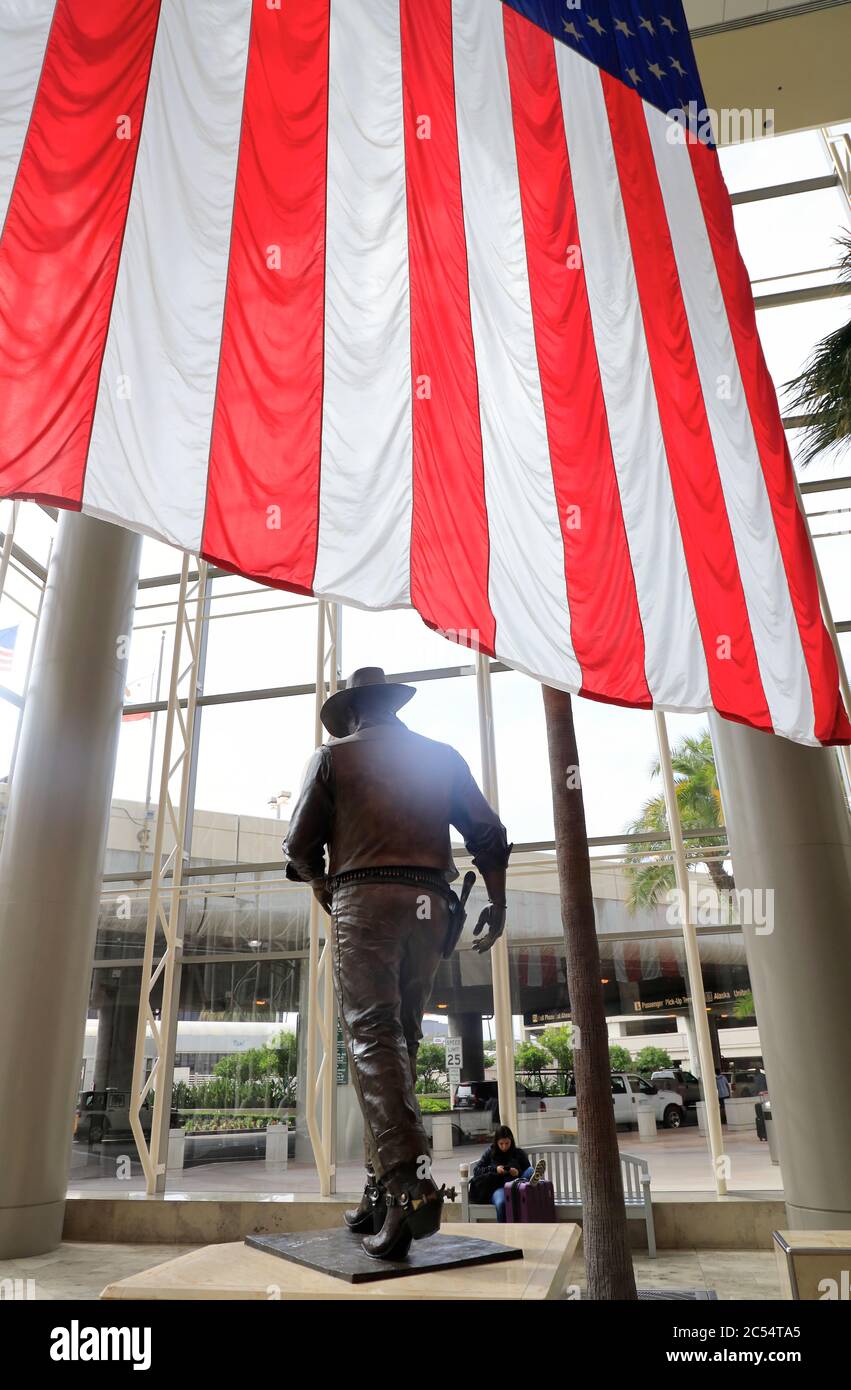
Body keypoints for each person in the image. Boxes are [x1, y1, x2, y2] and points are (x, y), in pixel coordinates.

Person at [283, 667, 511, 1259]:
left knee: (371, 1039)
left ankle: (408, 1186)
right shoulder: (440, 756)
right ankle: (379, 1187)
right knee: (396, 1046)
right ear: (391, 705)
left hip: (368, 901)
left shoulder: (333, 758)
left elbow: (299, 847)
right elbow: (489, 833)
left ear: (353, 712)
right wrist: (499, 898)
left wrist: (328, 892)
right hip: (430, 906)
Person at [470, 1126, 546, 1222]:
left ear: (511, 1141)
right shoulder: (490, 1152)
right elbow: (477, 1170)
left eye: (507, 1143)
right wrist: (495, 1169)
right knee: (501, 1203)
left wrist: (517, 1172)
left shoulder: (518, 1152)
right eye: (501, 1144)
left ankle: (528, 1186)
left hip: (518, 1184)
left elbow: (525, 1168)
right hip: (500, 1188)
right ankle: (530, 1187)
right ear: (496, 1142)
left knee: (530, 1170)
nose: (504, 1147)